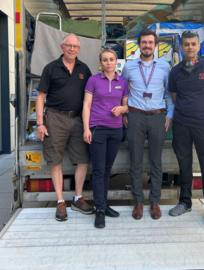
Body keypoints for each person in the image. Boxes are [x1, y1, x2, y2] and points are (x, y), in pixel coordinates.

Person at [36, 34, 94, 221]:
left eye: (75, 46)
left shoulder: (84, 69)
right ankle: (60, 202)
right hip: (55, 118)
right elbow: (41, 97)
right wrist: (40, 123)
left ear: (79, 48)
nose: (72, 49)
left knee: (83, 159)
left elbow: (91, 97)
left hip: (78, 120)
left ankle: (78, 198)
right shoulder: (51, 68)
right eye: (68, 45)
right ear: (62, 47)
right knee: (55, 160)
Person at [167, 31, 204, 226]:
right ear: (182, 47)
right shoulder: (175, 72)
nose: (190, 47)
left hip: (203, 125)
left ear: (198, 46)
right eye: (187, 44)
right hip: (181, 124)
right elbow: (174, 96)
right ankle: (185, 202)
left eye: (193, 44)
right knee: (184, 165)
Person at [122, 29, 174, 220]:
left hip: (157, 116)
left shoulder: (164, 66)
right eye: (144, 42)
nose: (147, 46)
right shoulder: (129, 67)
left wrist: (169, 114)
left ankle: (154, 202)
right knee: (135, 161)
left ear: (155, 45)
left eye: (150, 43)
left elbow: (169, 93)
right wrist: (124, 112)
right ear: (138, 45)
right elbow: (123, 91)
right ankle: (138, 202)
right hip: (135, 116)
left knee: (156, 162)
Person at [82, 48, 129, 229]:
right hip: (97, 129)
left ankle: (104, 204)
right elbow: (86, 106)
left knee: (108, 170)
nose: (108, 62)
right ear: (100, 63)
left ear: (116, 62)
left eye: (111, 59)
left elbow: (126, 105)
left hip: (116, 130)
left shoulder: (122, 82)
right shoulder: (93, 80)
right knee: (98, 170)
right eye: (105, 60)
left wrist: (122, 110)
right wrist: (86, 129)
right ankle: (99, 210)